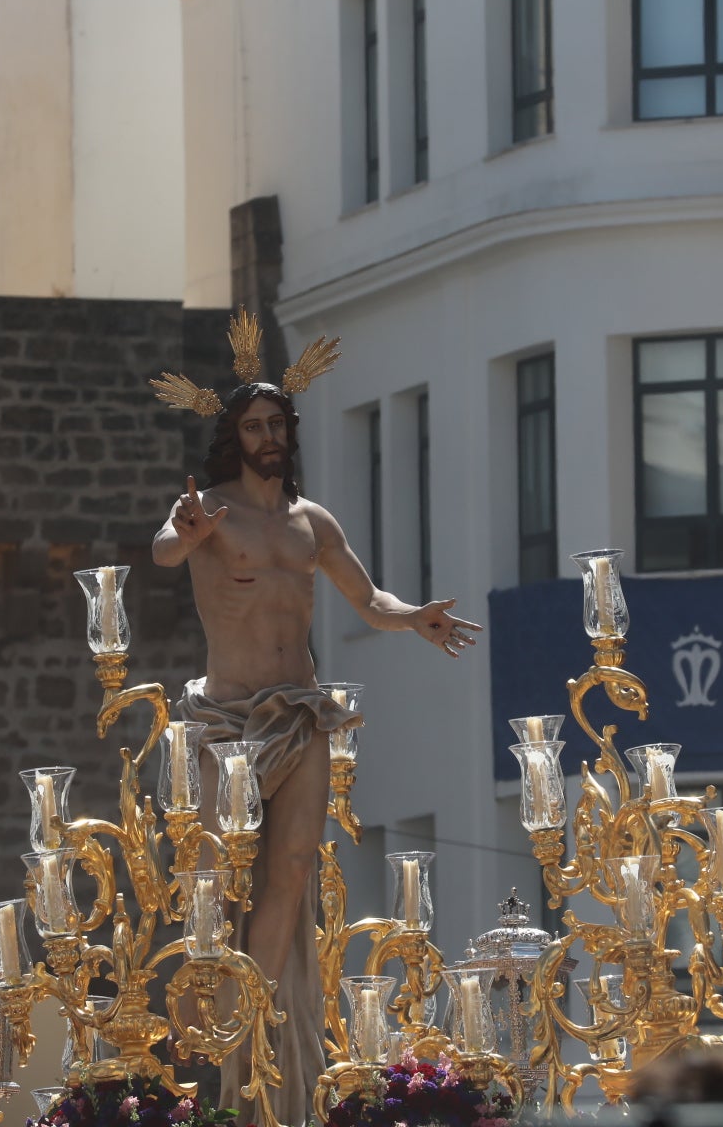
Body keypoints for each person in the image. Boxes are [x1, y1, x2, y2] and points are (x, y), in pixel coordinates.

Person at [149, 319, 481, 1126]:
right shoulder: (207, 513)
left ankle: (252, 1023)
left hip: (301, 714)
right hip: (226, 722)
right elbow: (162, 550)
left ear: (289, 436)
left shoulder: (312, 522)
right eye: (253, 426)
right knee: (216, 883)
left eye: (277, 425)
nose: (267, 436)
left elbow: (367, 599)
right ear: (233, 437)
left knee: (294, 868)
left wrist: (416, 619)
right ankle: (209, 1024)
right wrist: (181, 535)